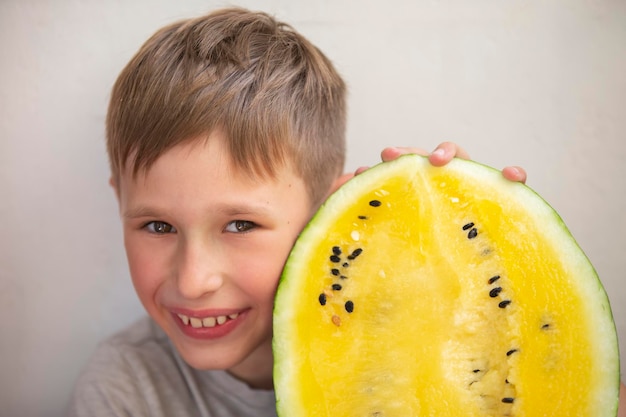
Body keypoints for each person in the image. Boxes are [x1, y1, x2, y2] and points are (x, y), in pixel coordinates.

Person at [67, 7, 624, 416]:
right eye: (157, 225)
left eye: (241, 224)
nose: (194, 280)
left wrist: (497, 269)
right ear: (120, 201)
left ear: (326, 214)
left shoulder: (408, 356)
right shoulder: (127, 389)